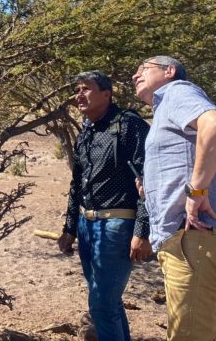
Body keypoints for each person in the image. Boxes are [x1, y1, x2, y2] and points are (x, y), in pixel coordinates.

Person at [132, 56, 216, 341]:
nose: (134, 75)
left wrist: (196, 190)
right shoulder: (164, 110)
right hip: (191, 241)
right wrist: (153, 188)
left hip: (197, 238)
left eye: (143, 69)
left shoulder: (177, 91)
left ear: (169, 71)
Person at [58, 70, 151, 341]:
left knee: (101, 303)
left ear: (107, 94)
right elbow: (77, 184)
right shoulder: (86, 131)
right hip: (87, 225)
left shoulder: (128, 125)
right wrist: (69, 228)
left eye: (86, 89)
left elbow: (147, 181)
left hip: (117, 224)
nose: (79, 95)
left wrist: (142, 231)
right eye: (77, 90)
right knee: (109, 303)